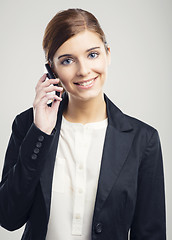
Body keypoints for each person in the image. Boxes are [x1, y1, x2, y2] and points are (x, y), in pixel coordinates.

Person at [0, 8, 166, 240]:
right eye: (67, 60)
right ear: (51, 69)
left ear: (108, 54)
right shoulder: (28, 125)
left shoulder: (143, 140)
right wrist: (40, 132)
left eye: (93, 54)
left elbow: (150, 234)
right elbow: (8, 217)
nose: (84, 70)